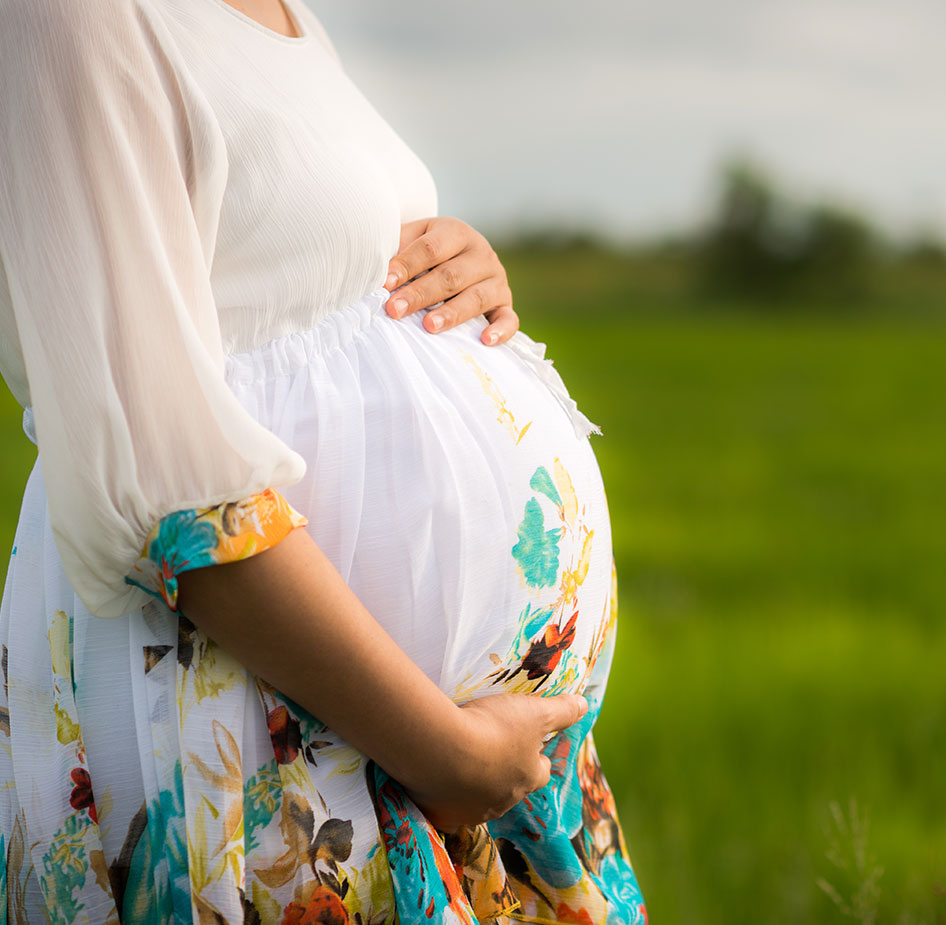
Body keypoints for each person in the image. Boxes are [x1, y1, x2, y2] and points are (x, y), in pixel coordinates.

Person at [0, 0, 647, 921]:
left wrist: (452, 267)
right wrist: (449, 757)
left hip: (424, 753)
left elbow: (300, 264)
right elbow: (167, 493)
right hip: (264, 729)